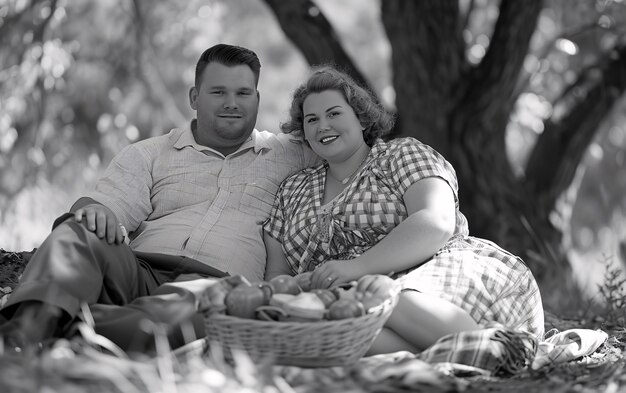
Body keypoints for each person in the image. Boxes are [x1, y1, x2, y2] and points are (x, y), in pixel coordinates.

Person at [0, 44, 318, 352]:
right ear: (195, 97)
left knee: (191, 315)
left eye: (243, 93)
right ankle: (23, 335)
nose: (231, 103)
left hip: (215, 286)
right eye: (218, 92)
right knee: (78, 229)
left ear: (257, 99)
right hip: (137, 271)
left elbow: (354, 144)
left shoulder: (289, 155)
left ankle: (75, 331)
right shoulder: (151, 153)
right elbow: (104, 205)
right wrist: (94, 210)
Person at [263, 65, 545, 354]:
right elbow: (275, 278)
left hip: (435, 271)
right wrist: (297, 290)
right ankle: (479, 354)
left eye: (334, 113)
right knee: (334, 335)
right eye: (312, 119)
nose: (323, 125)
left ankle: (497, 349)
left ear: (361, 119)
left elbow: (437, 222)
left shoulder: (400, 155)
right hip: (346, 310)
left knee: (386, 296)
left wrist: (357, 268)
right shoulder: (291, 191)